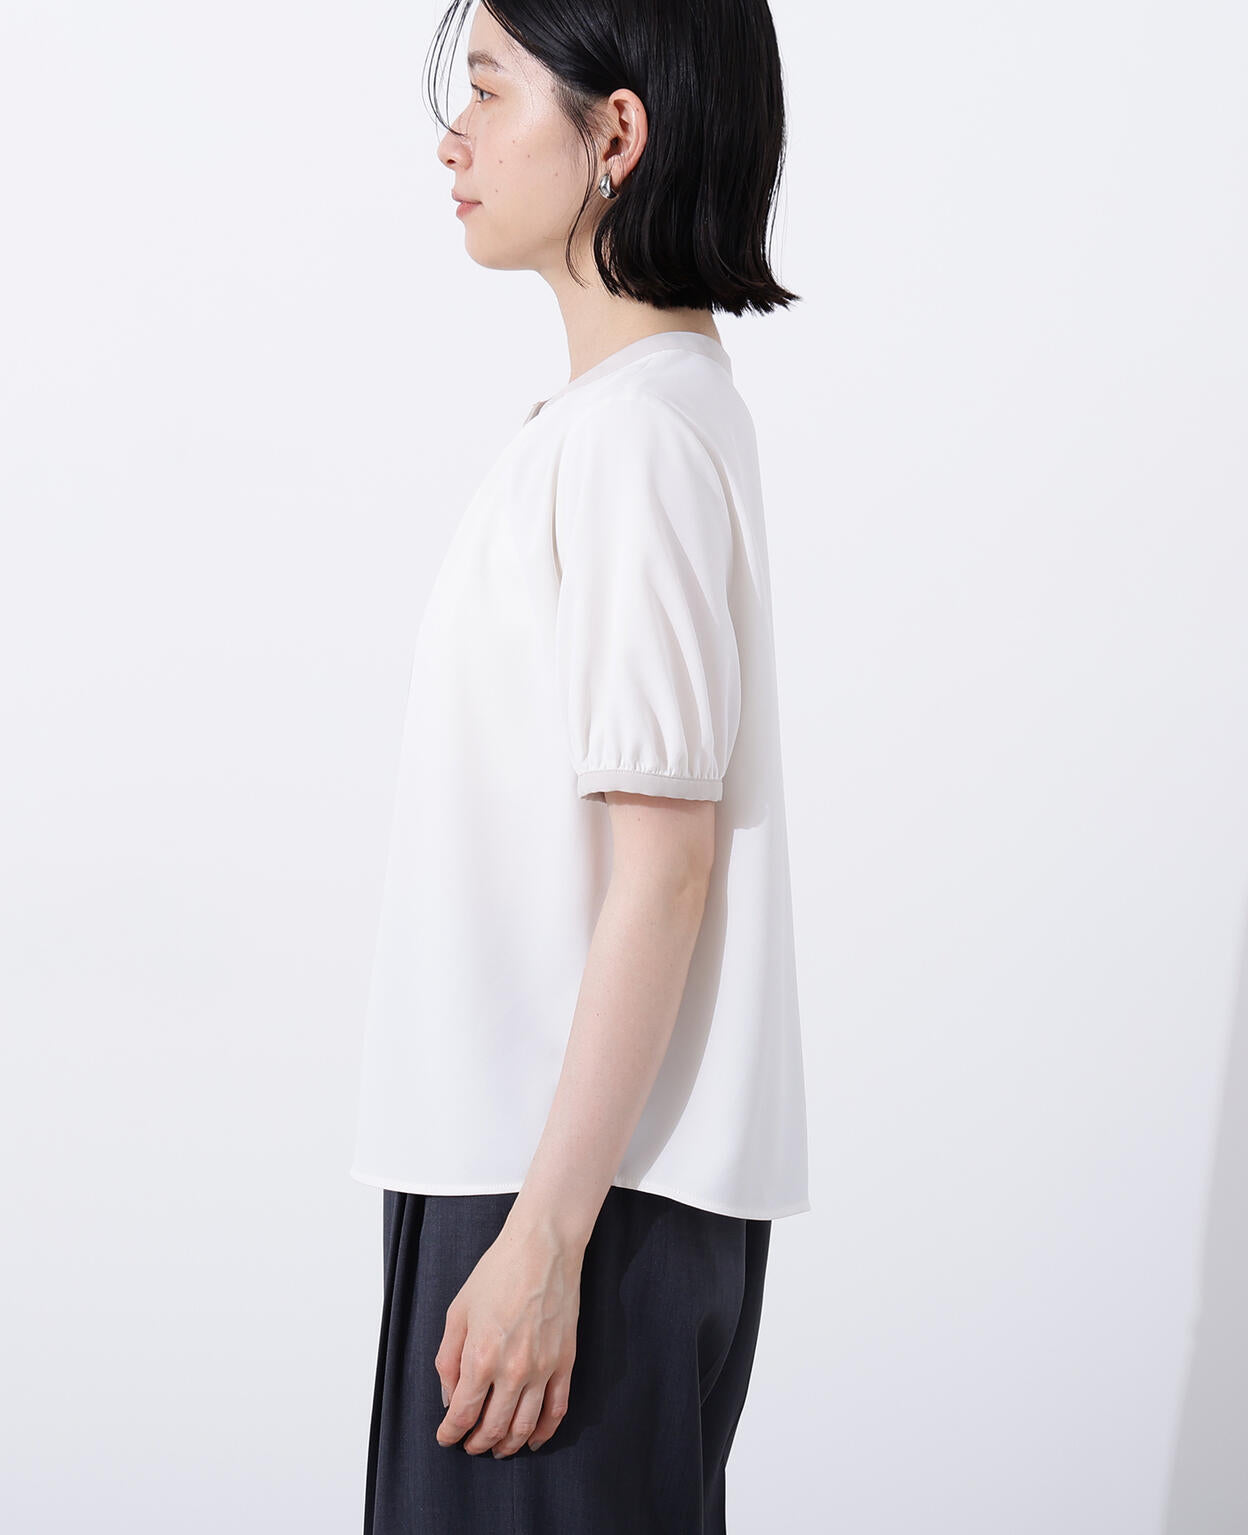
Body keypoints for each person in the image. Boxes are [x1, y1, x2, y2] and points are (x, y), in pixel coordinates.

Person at [352, 1, 810, 1529]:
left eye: (488, 91)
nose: (452, 140)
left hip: (569, 1201)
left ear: (617, 134)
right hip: (541, 1181)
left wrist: (546, 1239)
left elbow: (665, 869)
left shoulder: (638, 440)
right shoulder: (620, 425)